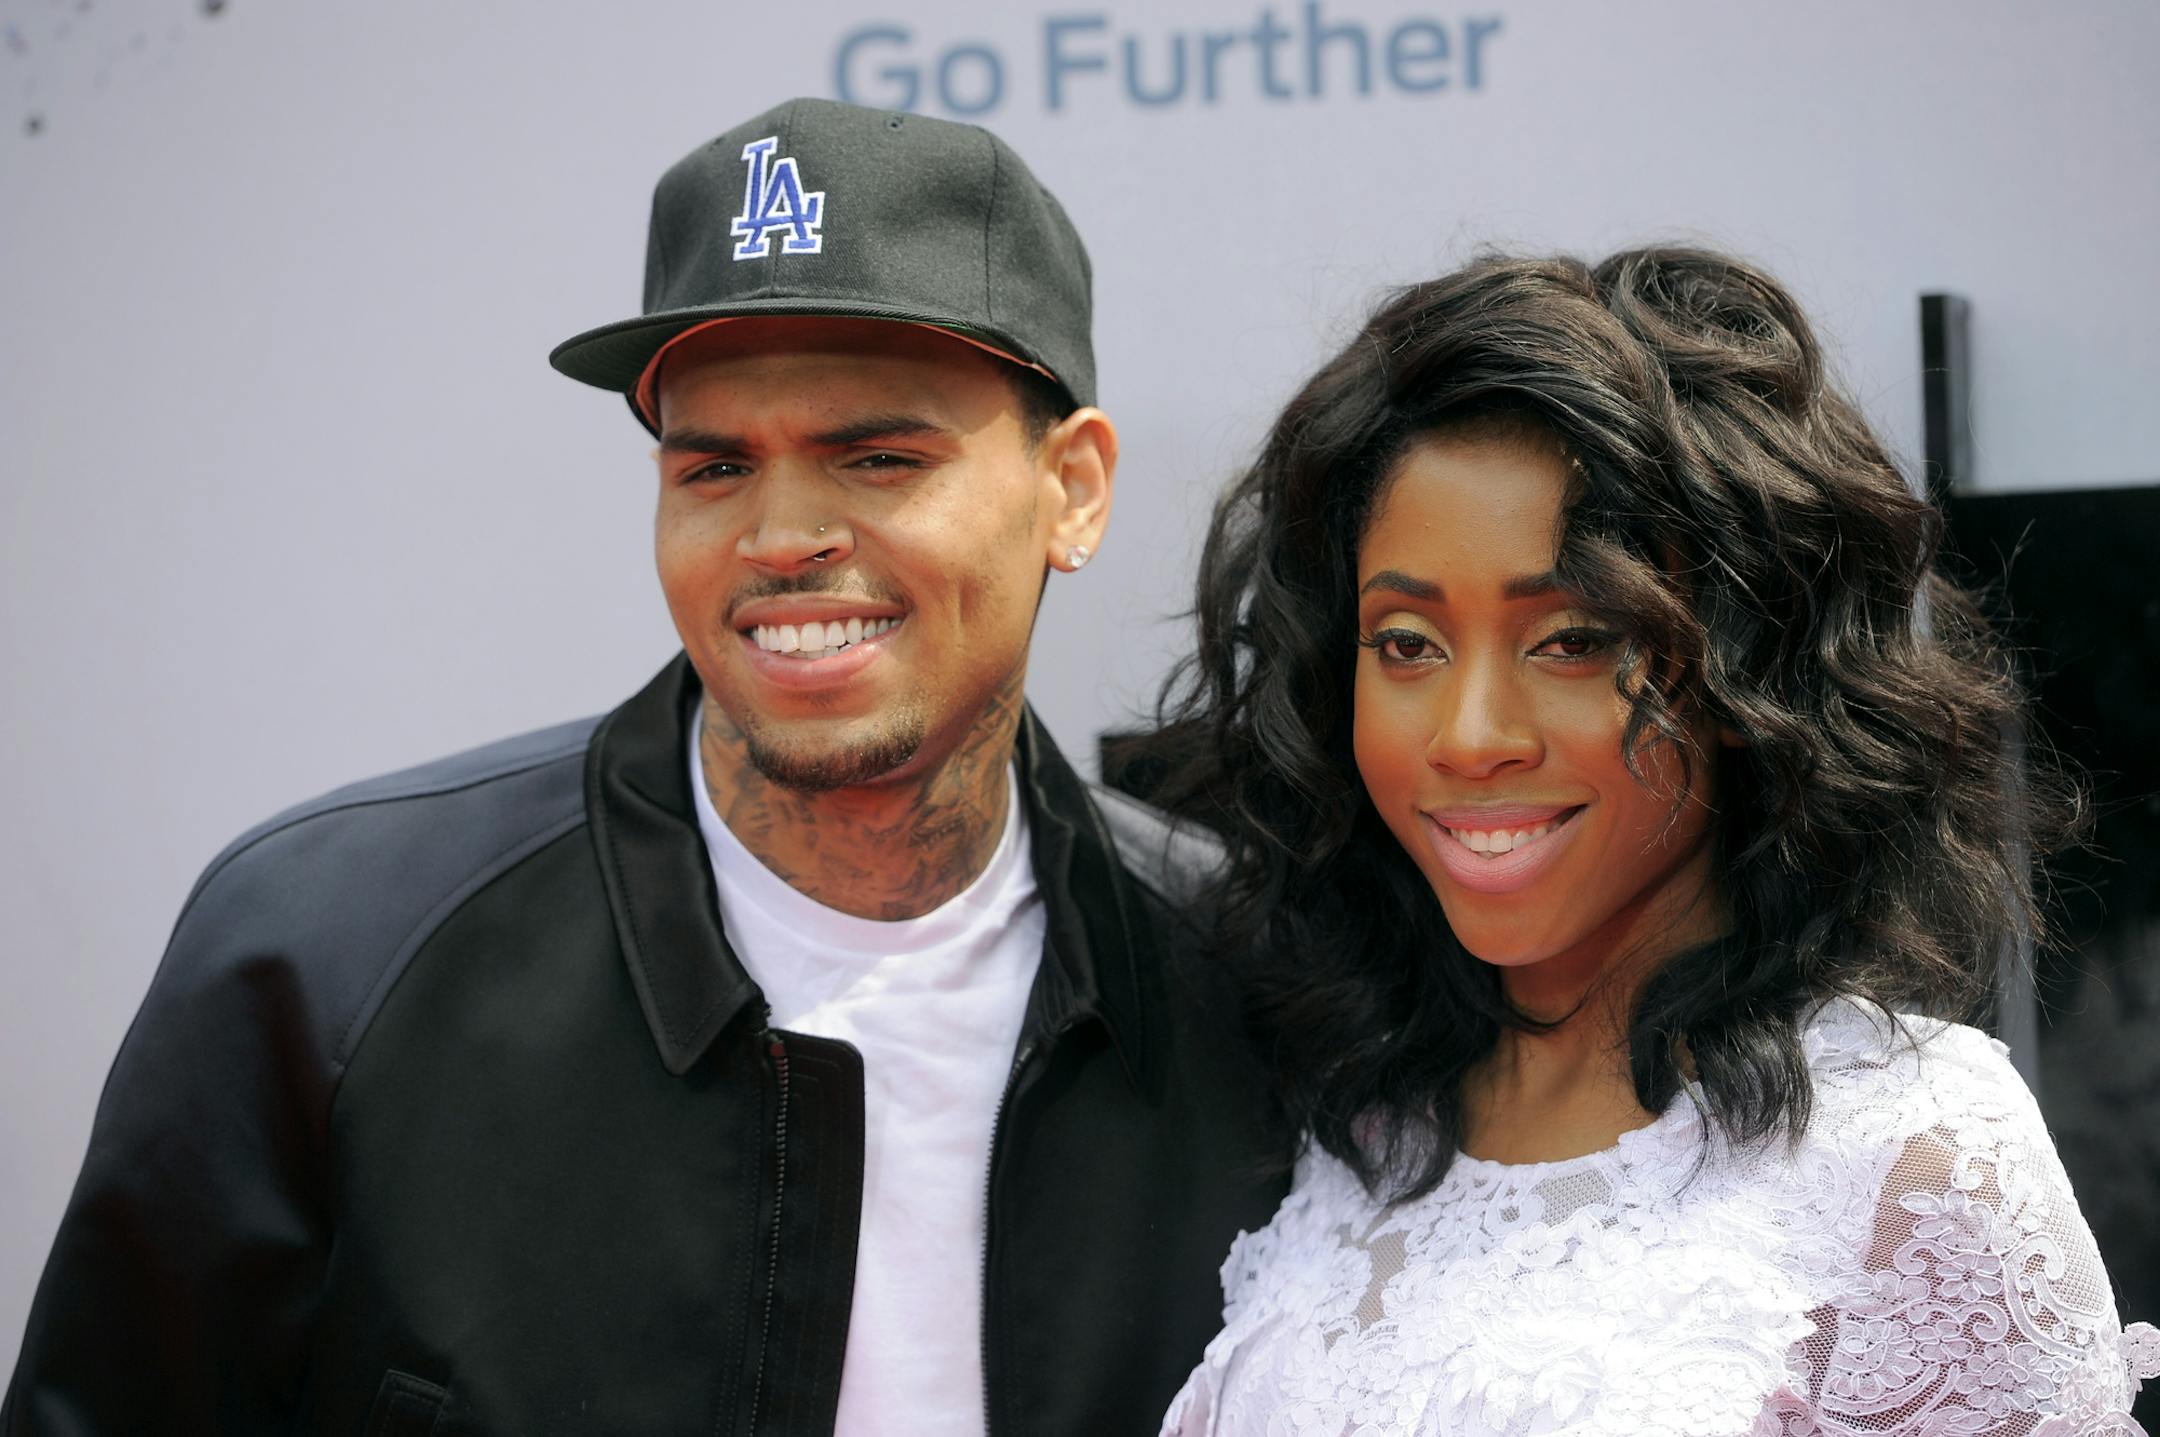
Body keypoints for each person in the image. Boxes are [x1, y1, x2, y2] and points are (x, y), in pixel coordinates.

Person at [5, 98, 1288, 1436]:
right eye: (716, 464)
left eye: (880, 456)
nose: (781, 535)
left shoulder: (1251, 983)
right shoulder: (319, 958)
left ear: (1071, 488)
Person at [1148, 247, 2160, 1434]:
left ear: (1749, 676)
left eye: (1574, 639)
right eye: (1408, 643)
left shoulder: (1912, 1159)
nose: (1470, 738)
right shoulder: (1352, 1129)